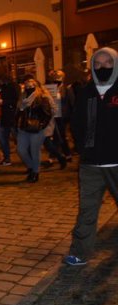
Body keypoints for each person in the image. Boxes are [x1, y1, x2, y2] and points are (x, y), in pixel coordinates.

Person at [64, 47, 118, 266]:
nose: (102, 67)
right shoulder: (86, 92)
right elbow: (76, 123)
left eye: (107, 63)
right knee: (87, 209)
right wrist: (82, 148)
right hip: (90, 164)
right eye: (97, 64)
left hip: (116, 161)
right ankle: (80, 251)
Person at [15, 77, 53, 183]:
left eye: (31, 86)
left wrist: (41, 125)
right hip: (23, 128)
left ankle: (35, 172)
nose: (28, 88)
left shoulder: (41, 98)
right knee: (21, 150)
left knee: (34, 151)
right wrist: (16, 124)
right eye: (26, 86)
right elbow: (18, 113)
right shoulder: (22, 98)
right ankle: (32, 167)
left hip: (36, 129)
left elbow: (48, 113)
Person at [0, 75, 18, 166]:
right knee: (4, 139)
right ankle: (7, 158)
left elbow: (15, 100)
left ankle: (26, 156)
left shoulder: (12, 87)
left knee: (17, 138)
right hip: (4, 117)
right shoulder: (1, 88)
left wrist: (3, 102)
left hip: (11, 117)